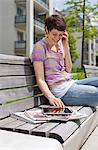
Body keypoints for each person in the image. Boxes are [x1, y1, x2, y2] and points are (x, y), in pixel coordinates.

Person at [31, 14, 98, 108]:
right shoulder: (39, 47)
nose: (57, 38)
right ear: (46, 30)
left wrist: (66, 45)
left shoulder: (61, 44)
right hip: (61, 91)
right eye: (54, 34)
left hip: (71, 83)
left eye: (60, 35)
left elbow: (69, 69)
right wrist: (51, 97)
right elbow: (40, 79)